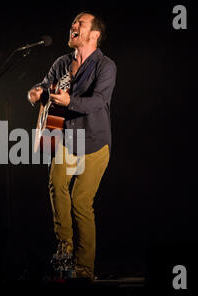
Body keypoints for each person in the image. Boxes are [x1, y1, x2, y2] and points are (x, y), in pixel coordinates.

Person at [27, 11, 117, 280]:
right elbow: (45, 85)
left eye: (80, 23)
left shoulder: (106, 66)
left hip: (94, 140)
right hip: (65, 136)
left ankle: (84, 268)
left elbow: (99, 101)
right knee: (56, 183)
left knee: (81, 201)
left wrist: (70, 103)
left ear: (94, 35)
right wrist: (35, 93)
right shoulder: (62, 62)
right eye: (73, 22)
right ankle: (64, 248)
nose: (73, 25)